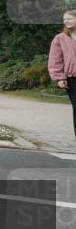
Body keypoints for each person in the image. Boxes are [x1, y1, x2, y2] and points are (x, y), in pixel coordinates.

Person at [48, 9, 76, 139]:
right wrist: (59, 78)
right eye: (64, 19)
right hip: (73, 79)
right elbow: (55, 59)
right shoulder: (60, 38)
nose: (66, 21)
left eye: (69, 18)